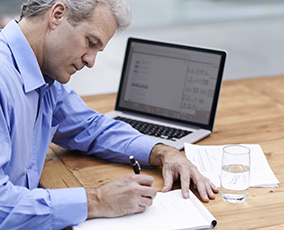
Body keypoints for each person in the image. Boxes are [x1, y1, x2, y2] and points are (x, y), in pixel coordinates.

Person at [0, 0, 218, 229]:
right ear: (57, 15)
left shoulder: (45, 74)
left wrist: (162, 153)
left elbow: (90, 127)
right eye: (90, 42)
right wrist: (97, 200)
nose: (91, 61)